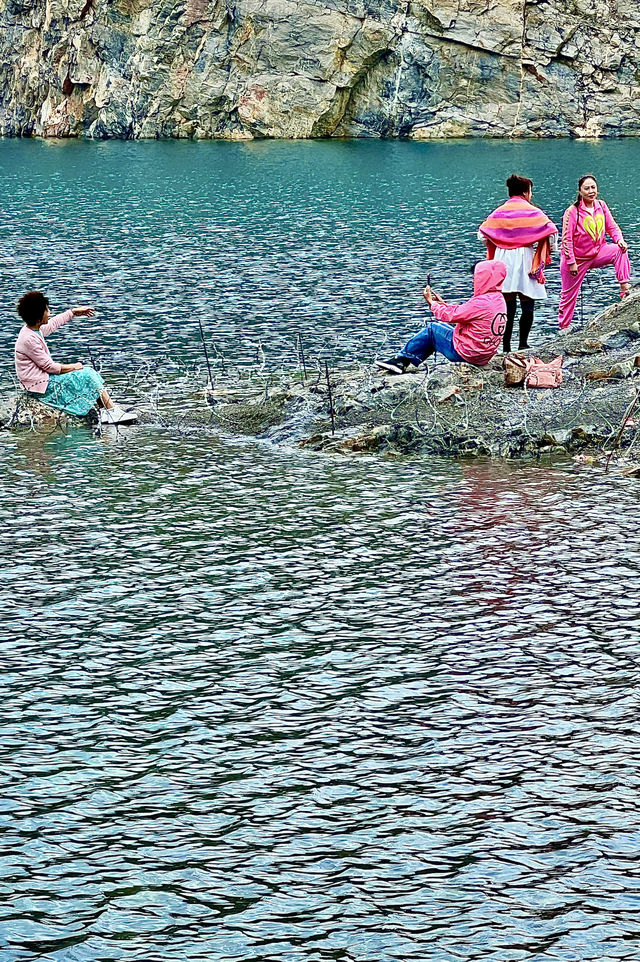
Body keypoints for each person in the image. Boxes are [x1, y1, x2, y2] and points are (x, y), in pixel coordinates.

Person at [14, 291, 136, 425]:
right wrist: (75, 367)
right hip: (41, 386)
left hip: (44, 381)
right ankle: (111, 410)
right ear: (38, 318)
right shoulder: (29, 339)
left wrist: (73, 312)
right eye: (47, 310)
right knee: (87, 374)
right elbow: (50, 367)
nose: (49, 312)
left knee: (86, 375)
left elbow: (53, 324)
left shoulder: (34, 330)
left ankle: (106, 411)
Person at [375, 260, 507, 374]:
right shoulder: (498, 299)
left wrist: (432, 304)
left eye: (476, 277)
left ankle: (401, 361)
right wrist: (442, 304)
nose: (473, 280)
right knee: (441, 328)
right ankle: (405, 360)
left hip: (467, 355)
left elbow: (450, 316)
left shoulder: (481, 302)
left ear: (484, 278)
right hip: (483, 356)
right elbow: (465, 315)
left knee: (432, 329)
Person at [478, 174, 558, 353]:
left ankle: (505, 346)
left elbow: (483, 233)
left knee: (507, 304)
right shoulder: (532, 211)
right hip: (525, 257)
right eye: (530, 191)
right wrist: (548, 250)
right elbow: (551, 231)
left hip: (503, 259)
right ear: (525, 192)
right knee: (527, 301)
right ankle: (523, 344)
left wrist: (499, 242)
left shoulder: (500, 211)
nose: (531, 195)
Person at [558, 173, 630, 330]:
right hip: (576, 259)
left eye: (593, 187)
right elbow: (566, 239)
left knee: (620, 250)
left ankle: (625, 289)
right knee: (568, 297)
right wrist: (571, 262)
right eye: (586, 188)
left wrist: (620, 240)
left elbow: (612, 226)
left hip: (597, 252)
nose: (591, 191)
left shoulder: (601, 206)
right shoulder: (572, 211)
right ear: (580, 191)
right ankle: (564, 328)